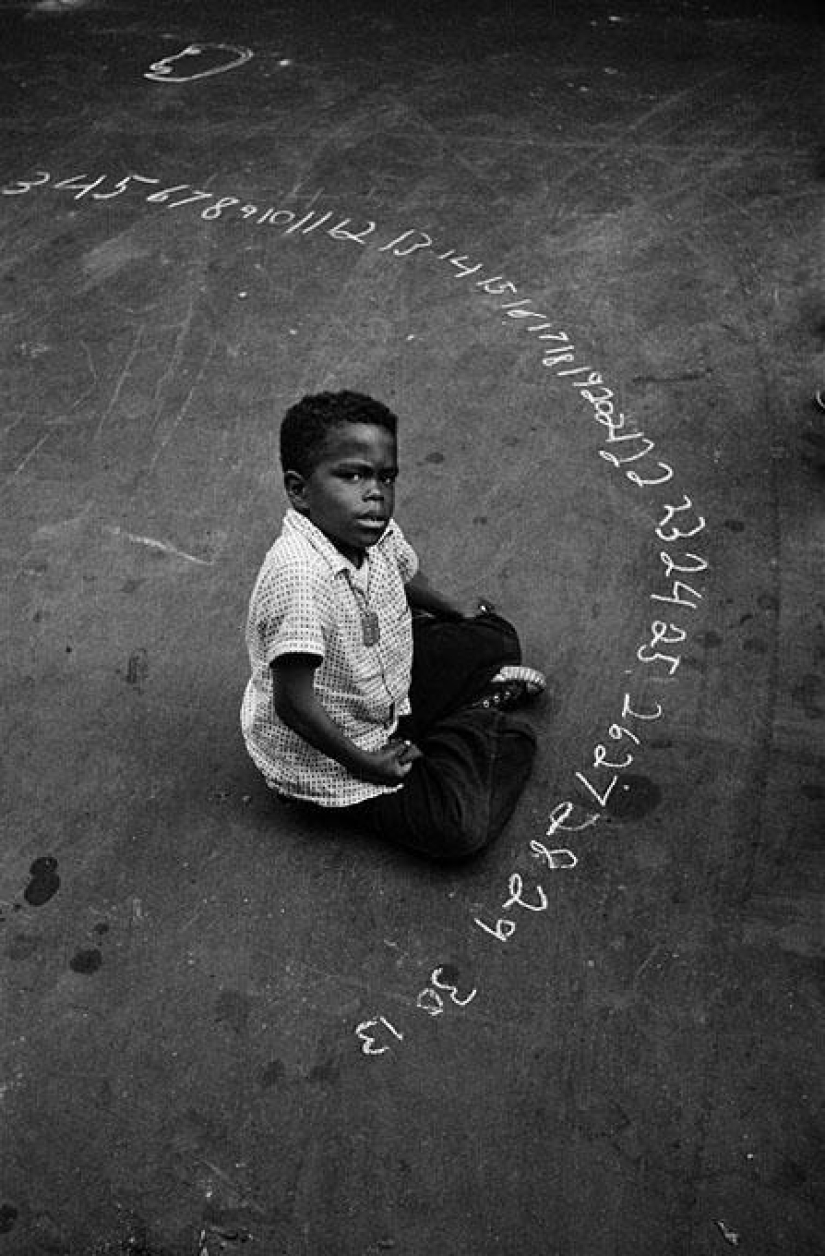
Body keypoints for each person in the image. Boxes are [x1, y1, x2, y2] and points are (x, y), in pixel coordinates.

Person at [241, 390, 545, 860]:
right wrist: (368, 763)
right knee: (461, 827)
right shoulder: (298, 577)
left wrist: (455, 609)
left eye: (386, 476)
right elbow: (293, 704)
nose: (375, 493)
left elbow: (404, 573)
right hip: (337, 753)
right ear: (300, 490)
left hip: (382, 675)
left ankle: (448, 717)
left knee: (496, 638)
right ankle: (475, 719)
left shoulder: (369, 526)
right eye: (352, 475)